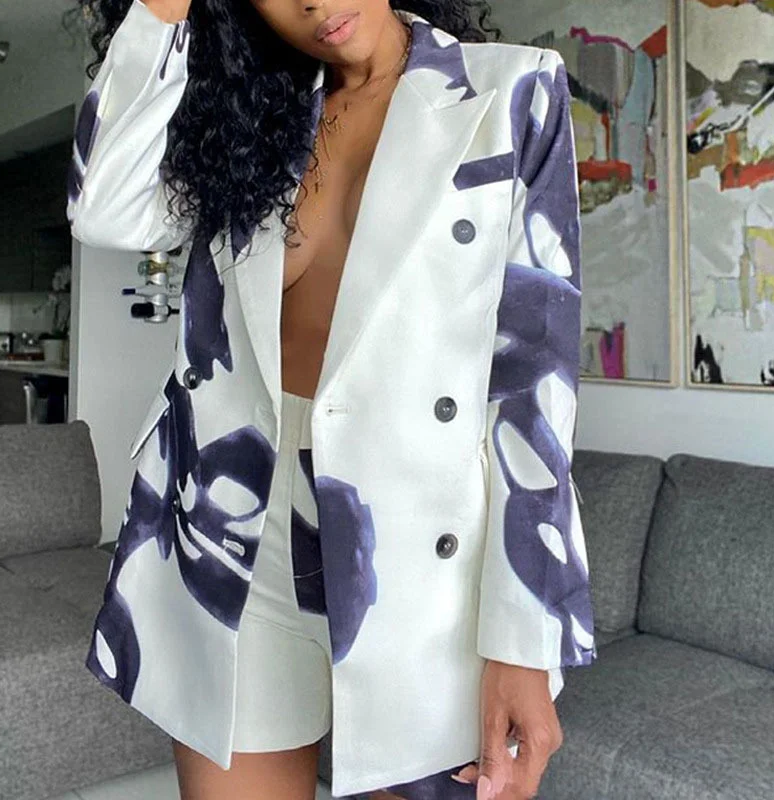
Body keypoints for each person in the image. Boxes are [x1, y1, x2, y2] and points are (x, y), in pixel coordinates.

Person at [68, 0, 596, 798]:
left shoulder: (511, 90)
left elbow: (534, 383)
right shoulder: (249, 119)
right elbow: (103, 206)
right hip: (236, 521)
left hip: (420, 553)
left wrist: (525, 639)